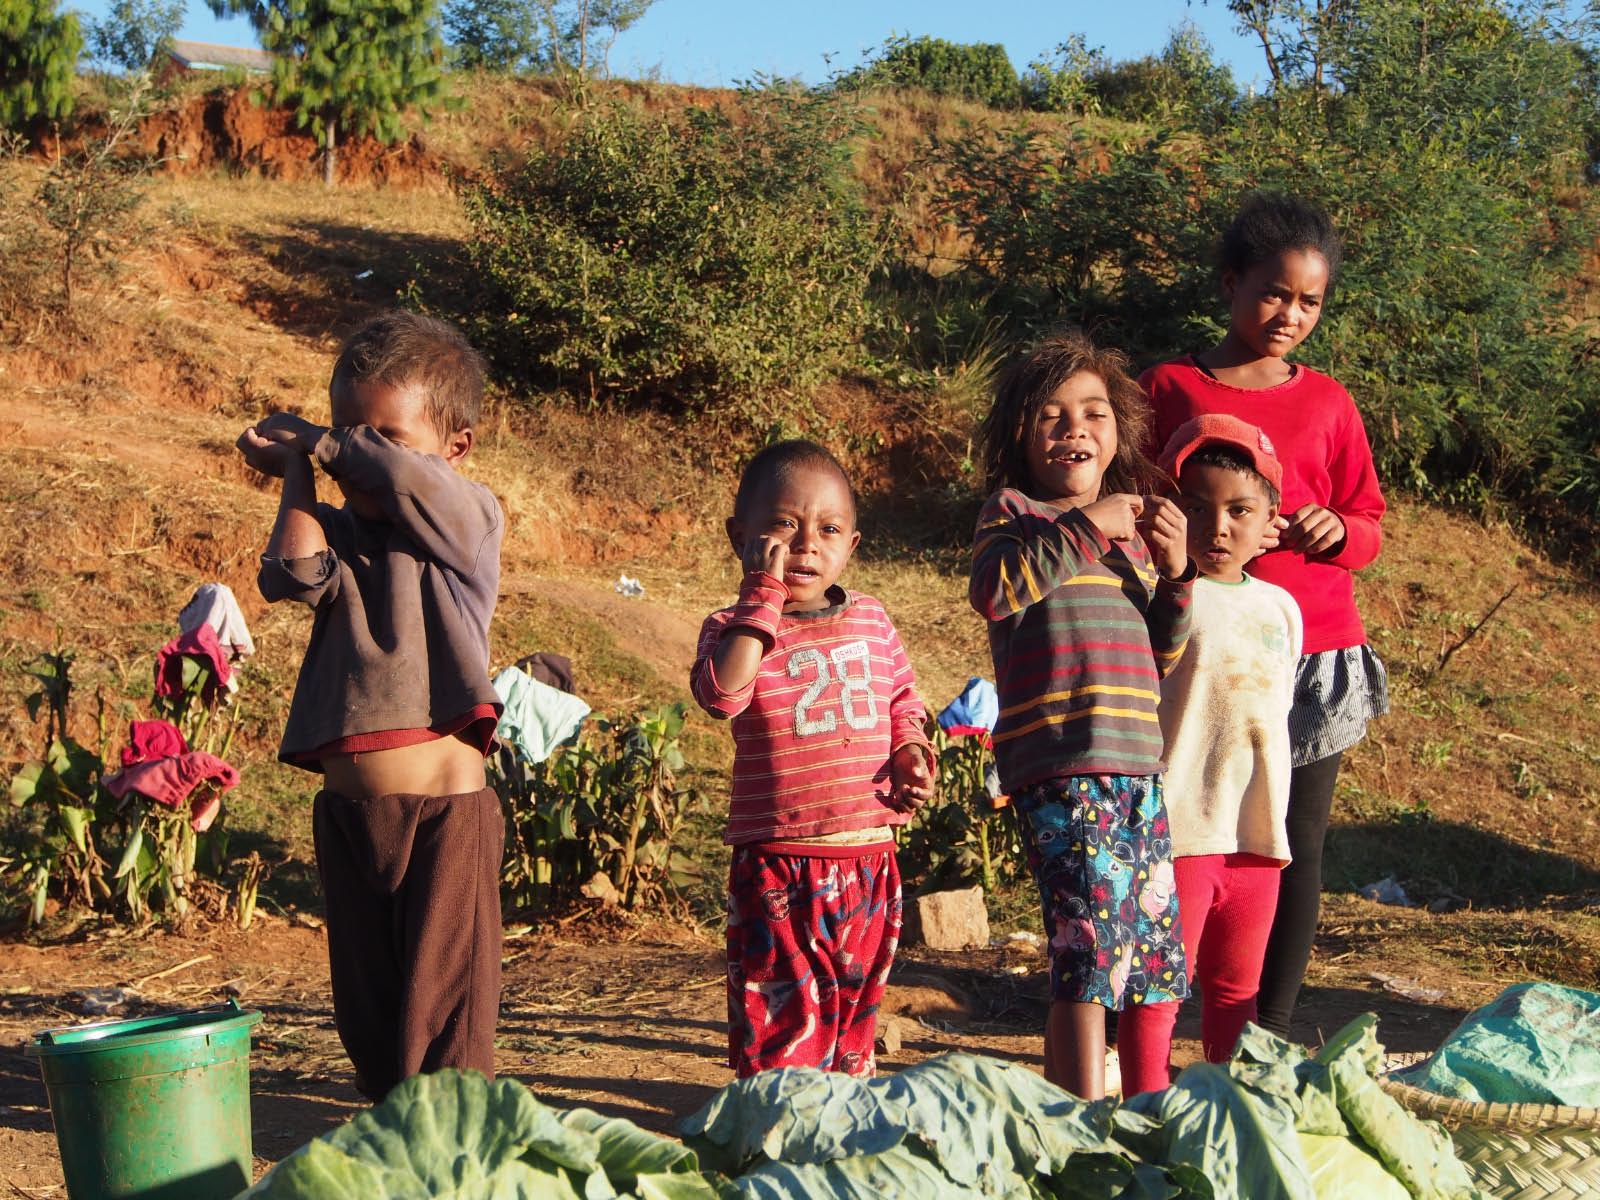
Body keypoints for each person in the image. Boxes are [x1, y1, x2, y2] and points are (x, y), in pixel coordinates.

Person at [236, 310, 505, 1101]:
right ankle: (396, 1150)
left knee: (446, 1020)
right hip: (350, 819)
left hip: (444, 820)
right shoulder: (342, 533)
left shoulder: (466, 522)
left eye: (385, 435)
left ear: (454, 448)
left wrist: (322, 438)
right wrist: (297, 473)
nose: (360, 453)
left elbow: (409, 483)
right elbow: (287, 574)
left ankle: (454, 1153)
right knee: (370, 1019)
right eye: (352, 428)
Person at [1140, 192, 1388, 1040]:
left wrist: (1336, 530)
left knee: (1287, 845)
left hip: (1310, 651)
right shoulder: (1168, 387)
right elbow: (1135, 499)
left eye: (1310, 301)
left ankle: (1263, 1031)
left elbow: (1369, 524)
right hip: (1191, 647)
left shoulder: (1330, 404)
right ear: (1230, 283)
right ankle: (1156, 1013)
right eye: (1274, 293)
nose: (1290, 315)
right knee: (1184, 835)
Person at [969, 329, 1196, 1099]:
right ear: (1021, 435)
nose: (1076, 429)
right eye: (1053, 415)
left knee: (1147, 953)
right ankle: (1086, 1115)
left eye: (1094, 413)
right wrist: (1091, 524)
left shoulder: (1129, 539)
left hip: (1139, 768)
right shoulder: (1016, 514)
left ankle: (1134, 1100)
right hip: (1063, 766)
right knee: (1090, 949)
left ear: (1119, 434)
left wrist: (1177, 577)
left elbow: (1159, 655)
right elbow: (998, 592)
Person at [690, 439, 936, 1078]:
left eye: (828, 529)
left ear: (851, 545)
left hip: (867, 860)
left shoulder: (873, 621)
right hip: (778, 864)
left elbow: (904, 700)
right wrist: (761, 598)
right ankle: (774, 1144)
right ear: (738, 536)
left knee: (852, 1017)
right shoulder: (731, 625)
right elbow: (722, 694)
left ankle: (841, 1142)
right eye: (782, 526)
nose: (806, 544)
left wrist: (910, 751)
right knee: (781, 1022)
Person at [1120, 415, 1304, 1091]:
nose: (1218, 527)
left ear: (1270, 520)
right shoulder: (1162, 600)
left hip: (1257, 837)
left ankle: (1233, 1117)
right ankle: (1147, 1116)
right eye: (1196, 507)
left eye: (1239, 510)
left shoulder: (1283, 609)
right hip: (1179, 829)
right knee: (1157, 991)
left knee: (1237, 995)